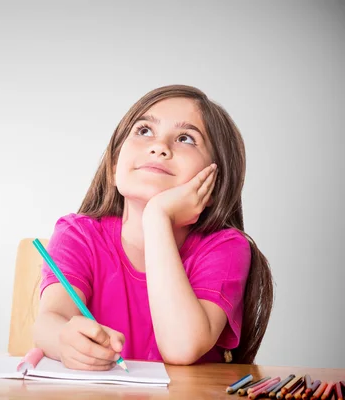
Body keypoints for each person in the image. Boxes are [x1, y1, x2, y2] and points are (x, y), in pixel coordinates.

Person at [32, 84, 274, 368]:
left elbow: (181, 347)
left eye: (186, 138)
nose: (159, 147)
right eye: (144, 131)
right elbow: (48, 322)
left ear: (214, 184)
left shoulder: (226, 248)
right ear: (113, 165)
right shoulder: (78, 234)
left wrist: (158, 217)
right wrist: (64, 339)